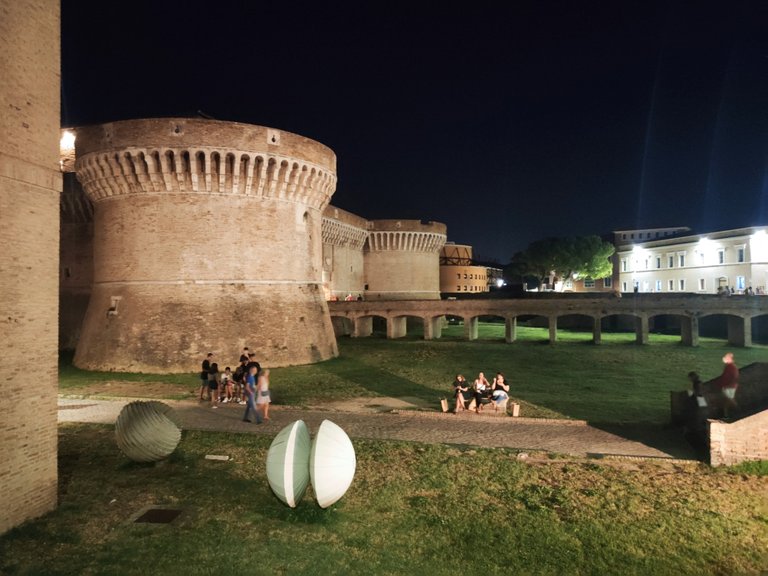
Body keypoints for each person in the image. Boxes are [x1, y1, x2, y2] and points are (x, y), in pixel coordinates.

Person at [716, 352, 739, 419]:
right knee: (726, 402)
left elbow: (728, 377)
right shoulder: (731, 366)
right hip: (730, 386)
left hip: (729, 387)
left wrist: (723, 385)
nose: (724, 359)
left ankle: (739, 409)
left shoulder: (730, 367)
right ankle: (725, 415)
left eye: (726, 357)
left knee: (729, 399)